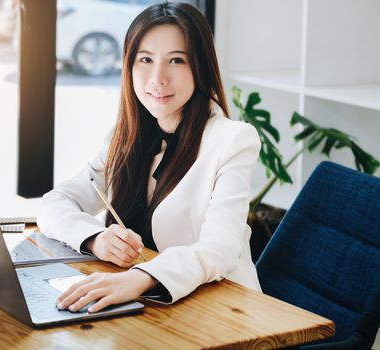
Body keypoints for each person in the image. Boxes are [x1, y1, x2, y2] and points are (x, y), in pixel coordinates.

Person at [37, 2, 261, 313]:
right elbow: (55, 202)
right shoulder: (127, 133)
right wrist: (94, 239)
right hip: (145, 308)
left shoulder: (232, 140)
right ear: (128, 65)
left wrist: (142, 278)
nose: (158, 78)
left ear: (201, 67)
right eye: (146, 59)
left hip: (221, 310)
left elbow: (219, 249)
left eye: (177, 60)